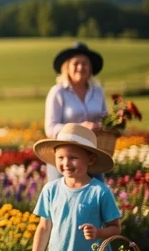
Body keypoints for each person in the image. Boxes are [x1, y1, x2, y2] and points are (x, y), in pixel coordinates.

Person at [24, 123, 122, 251]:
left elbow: (115, 228)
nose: (66, 163)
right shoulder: (51, 190)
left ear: (91, 159)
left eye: (73, 158)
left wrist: (99, 232)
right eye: (60, 158)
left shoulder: (99, 192)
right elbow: (44, 228)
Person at [44, 42, 108, 181]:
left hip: (92, 155)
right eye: (76, 63)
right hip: (64, 157)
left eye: (85, 63)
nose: (80, 67)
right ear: (67, 67)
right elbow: (50, 128)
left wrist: (102, 126)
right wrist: (78, 129)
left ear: (90, 68)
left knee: (96, 195)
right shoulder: (58, 92)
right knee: (60, 198)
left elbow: (106, 118)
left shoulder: (98, 91)